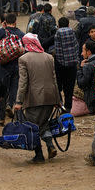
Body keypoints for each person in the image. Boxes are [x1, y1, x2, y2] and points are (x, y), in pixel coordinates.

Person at [12, 33, 60, 163]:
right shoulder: (49, 57)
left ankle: (39, 155)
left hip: (34, 99)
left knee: (32, 127)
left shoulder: (23, 59)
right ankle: (50, 146)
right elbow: (54, 79)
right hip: (50, 97)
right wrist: (58, 100)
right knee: (43, 123)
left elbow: (23, 82)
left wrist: (18, 101)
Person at [0, 13, 25, 125]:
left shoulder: (1, 32)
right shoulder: (20, 33)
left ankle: (1, 118)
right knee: (14, 87)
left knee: (1, 91)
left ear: (5, 21)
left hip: (2, 66)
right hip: (16, 65)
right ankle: (10, 104)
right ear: (15, 21)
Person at [54, 17, 79, 112]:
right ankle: (68, 108)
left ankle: (60, 105)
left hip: (60, 65)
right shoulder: (73, 32)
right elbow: (76, 47)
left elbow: (57, 50)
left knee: (58, 87)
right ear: (68, 24)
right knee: (69, 88)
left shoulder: (57, 33)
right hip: (72, 65)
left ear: (59, 25)